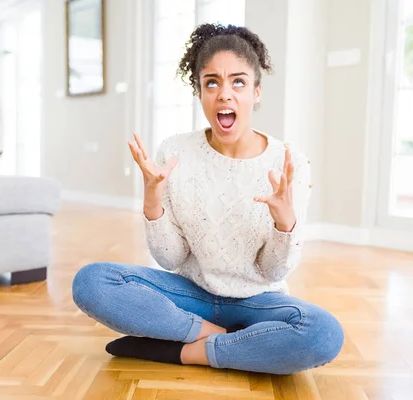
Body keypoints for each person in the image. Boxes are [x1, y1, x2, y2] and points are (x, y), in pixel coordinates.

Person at [72, 23, 344, 375]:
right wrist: (153, 201)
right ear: (199, 91)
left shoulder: (289, 162)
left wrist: (284, 223)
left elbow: (273, 271)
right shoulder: (175, 152)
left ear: (256, 92)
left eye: (239, 82)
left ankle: (181, 352)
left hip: (259, 303)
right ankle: (228, 341)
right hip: (192, 295)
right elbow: (170, 259)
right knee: (91, 282)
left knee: (323, 335)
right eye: (211, 82)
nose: (224, 94)